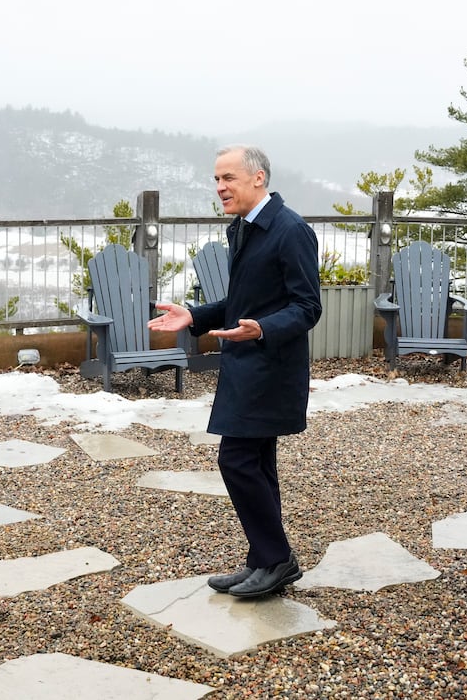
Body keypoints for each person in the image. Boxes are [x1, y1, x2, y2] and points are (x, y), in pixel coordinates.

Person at [148, 144, 322, 599]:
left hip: (271, 368)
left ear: (258, 178)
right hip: (246, 362)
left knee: (237, 460)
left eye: (229, 178)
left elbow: (307, 307)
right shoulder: (242, 228)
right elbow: (243, 302)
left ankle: (277, 558)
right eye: (217, 180)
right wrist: (196, 316)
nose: (221, 187)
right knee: (256, 462)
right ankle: (263, 558)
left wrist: (262, 328)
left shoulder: (290, 230)